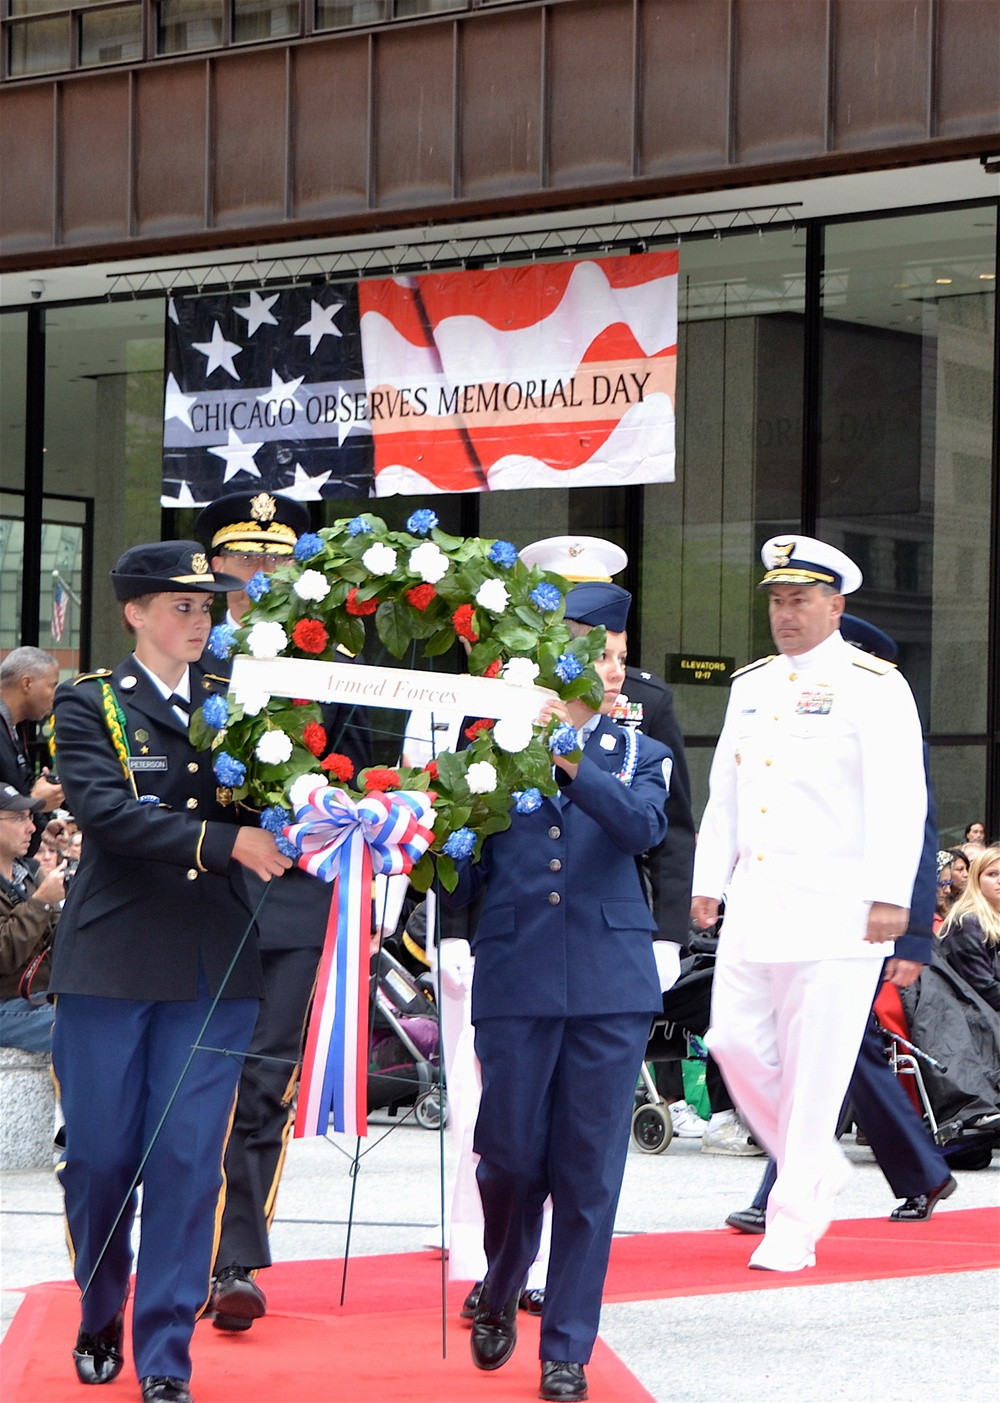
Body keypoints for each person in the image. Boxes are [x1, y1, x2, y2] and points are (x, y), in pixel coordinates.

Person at [48, 540, 291, 1403]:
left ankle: (164, 1356)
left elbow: (287, 795)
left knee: (189, 1161)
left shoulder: (241, 706)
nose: (200, 620)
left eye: (207, 606)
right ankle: (100, 1304)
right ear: (135, 613)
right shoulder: (89, 706)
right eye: (181, 606)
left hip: (211, 964)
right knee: (103, 1159)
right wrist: (229, 841)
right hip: (112, 961)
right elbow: (108, 814)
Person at [452, 579, 670, 1403]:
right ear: (553, 657)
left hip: (611, 985)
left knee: (589, 1168)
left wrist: (572, 763)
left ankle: (568, 1342)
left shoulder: (640, 754)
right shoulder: (493, 742)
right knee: (507, 1153)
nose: (611, 670)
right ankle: (503, 1275)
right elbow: (462, 856)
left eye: (618, 657)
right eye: (592, 653)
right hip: (516, 973)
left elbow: (644, 828)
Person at [692, 535, 926, 1273]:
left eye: (800, 599)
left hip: (838, 909)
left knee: (818, 1067)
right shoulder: (751, 683)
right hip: (757, 901)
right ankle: (814, 1164)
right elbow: (726, 789)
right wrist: (708, 875)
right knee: (730, 1041)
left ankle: (792, 1223)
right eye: (777, 599)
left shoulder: (875, 682)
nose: (785, 613)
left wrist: (893, 896)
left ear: (836, 605)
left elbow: (901, 795)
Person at [194, 489, 372, 1333]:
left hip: (295, 899)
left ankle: (235, 1260)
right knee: (189, 1081)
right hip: (193, 899)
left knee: (263, 1084)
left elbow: (363, 776)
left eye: (276, 561)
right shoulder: (190, 661)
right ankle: (177, 1245)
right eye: (244, 561)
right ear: (216, 566)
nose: (260, 576)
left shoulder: (331, 660)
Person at [726, 613, 956, 1231]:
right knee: (824, 1056)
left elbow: (913, 835)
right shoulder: (769, 701)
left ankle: (799, 1183)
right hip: (785, 914)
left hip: (854, 921)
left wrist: (910, 938)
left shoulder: (880, 718)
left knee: (838, 1056)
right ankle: (891, 1173)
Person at [0, 782, 64, 1051]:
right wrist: (40, 903)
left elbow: (60, 941)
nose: (31, 828)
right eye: (18, 819)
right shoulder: (36, 885)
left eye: (29, 818)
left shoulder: (28, 874)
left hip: (38, 997)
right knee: (78, 1029)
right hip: (6, 1006)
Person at [0, 646, 64, 854]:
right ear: (27, 683)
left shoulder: (16, 729)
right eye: (52, 686)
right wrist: (36, 800)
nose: (55, 695)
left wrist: (40, 825)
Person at [938, 844, 1000, 1010]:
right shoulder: (966, 923)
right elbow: (984, 989)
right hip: (978, 1021)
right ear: (976, 880)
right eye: (992, 874)